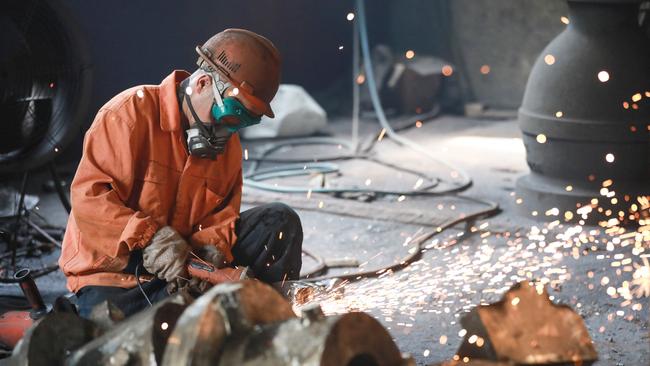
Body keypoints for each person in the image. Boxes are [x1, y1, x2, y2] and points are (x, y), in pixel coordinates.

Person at [58, 29, 303, 317]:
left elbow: (221, 218)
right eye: (231, 115)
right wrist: (149, 239)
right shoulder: (129, 114)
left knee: (279, 221)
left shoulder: (228, 148)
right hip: (118, 276)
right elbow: (90, 201)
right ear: (201, 84)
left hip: (185, 268)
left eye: (244, 122)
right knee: (121, 343)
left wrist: (211, 254)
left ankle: (265, 317)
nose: (229, 131)